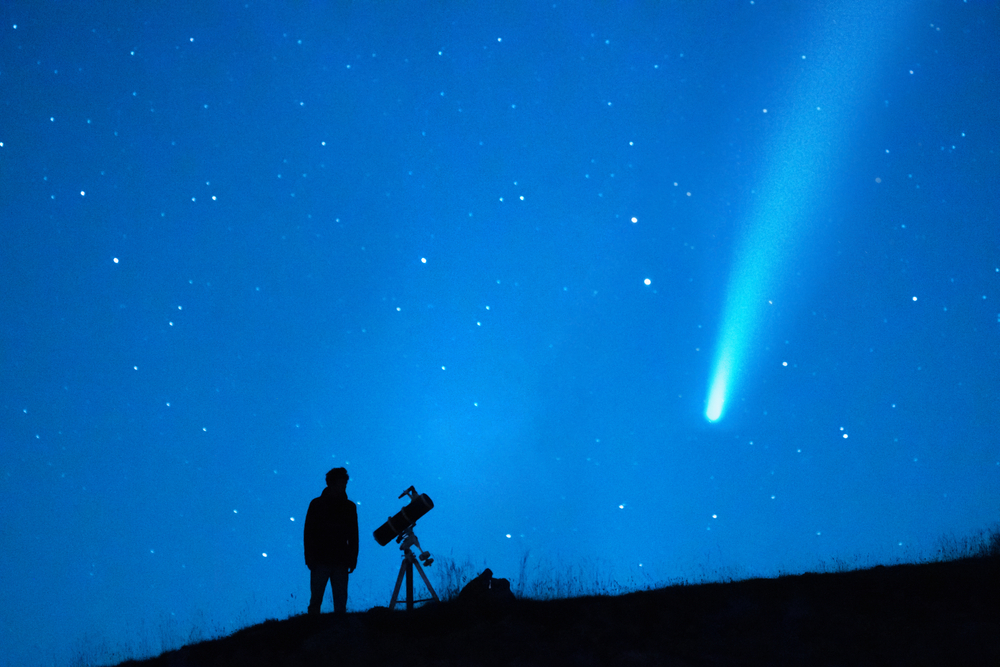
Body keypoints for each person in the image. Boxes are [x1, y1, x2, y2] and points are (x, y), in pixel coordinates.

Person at [304, 467, 359, 615]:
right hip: (320, 560)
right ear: (331, 484)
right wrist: (310, 558)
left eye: (344, 483)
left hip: (340, 560)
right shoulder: (316, 505)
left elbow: (353, 535)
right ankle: (313, 629)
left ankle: (339, 631)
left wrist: (352, 559)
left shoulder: (349, 507)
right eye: (341, 482)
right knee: (316, 599)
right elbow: (309, 533)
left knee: (340, 602)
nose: (344, 486)